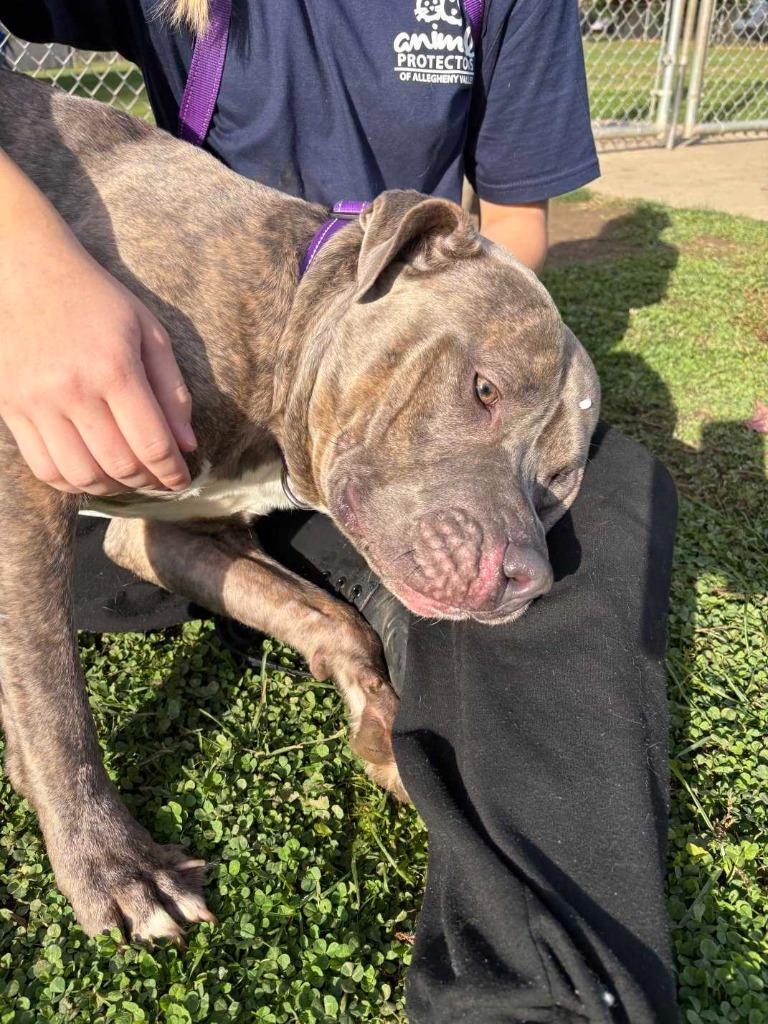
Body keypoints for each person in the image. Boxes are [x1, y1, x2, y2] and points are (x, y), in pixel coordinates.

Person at [0, 2, 678, 1021]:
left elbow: (515, 242)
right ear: (406, 246)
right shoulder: (207, 294)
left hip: (308, 429)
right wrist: (25, 261)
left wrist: (348, 644)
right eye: (484, 397)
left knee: (586, 533)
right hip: (219, 335)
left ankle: (542, 994)